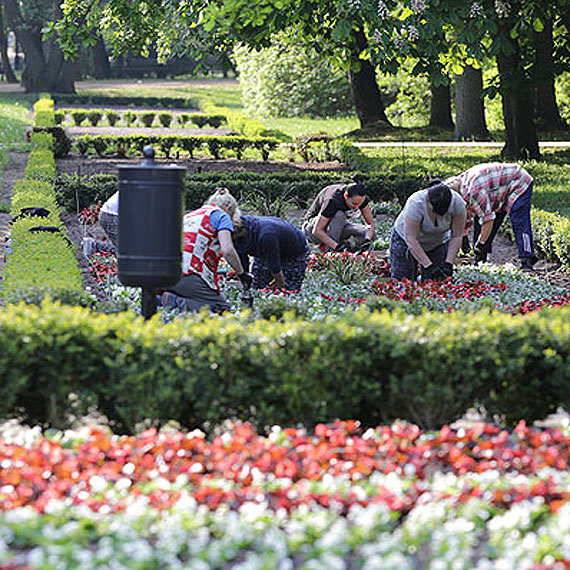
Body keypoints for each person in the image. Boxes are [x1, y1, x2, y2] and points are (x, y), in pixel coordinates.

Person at [160, 188, 252, 312]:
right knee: (222, 309)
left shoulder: (190, 215)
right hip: (188, 272)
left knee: (193, 298)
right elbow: (228, 250)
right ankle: (175, 302)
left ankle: (162, 299)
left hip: (164, 271)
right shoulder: (221, 215)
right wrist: (242, 274)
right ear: (229, 207)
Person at [445, 162, 537, 272]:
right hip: (496, 190)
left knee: (519, 221)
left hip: (519, 180)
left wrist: (481, 244)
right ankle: (480, 260)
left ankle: (527, 259)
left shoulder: (474, 192)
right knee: (481, 222)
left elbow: (487, 220)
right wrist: (464, 237)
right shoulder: (459, 187)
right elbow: (465, 213)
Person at [390, 181, 466, 281]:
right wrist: (428, 265)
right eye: (435, 212)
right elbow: (411, 239)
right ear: (428, 201)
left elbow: (457, 236)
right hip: (405, 241)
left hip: (437, 243)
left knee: (437, 281)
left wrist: (449, 263)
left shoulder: (458, 204)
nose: (439, 217)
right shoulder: (416, 203)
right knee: (403, 281)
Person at [234, 215, 310, 291]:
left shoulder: (266, 235)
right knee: (258, 286)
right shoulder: (236, 233)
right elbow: (241, 258)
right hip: (264, 249)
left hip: (294, 251)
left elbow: (275, 267)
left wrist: (281, 289)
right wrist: (244, 277)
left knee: (289, 289)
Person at [302, 181, 375, 251]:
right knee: (339, 215)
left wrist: (367, 240)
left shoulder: (360, 199)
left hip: (335, 228)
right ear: (346, 196)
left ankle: (350, 249)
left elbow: (370, 224)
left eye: (360, 204)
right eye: (354, 204)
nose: (357, 207)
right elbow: (317, 230)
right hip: (312, 229)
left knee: (367, 233)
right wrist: (337, 247)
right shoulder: (332, 200)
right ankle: (330, 251)